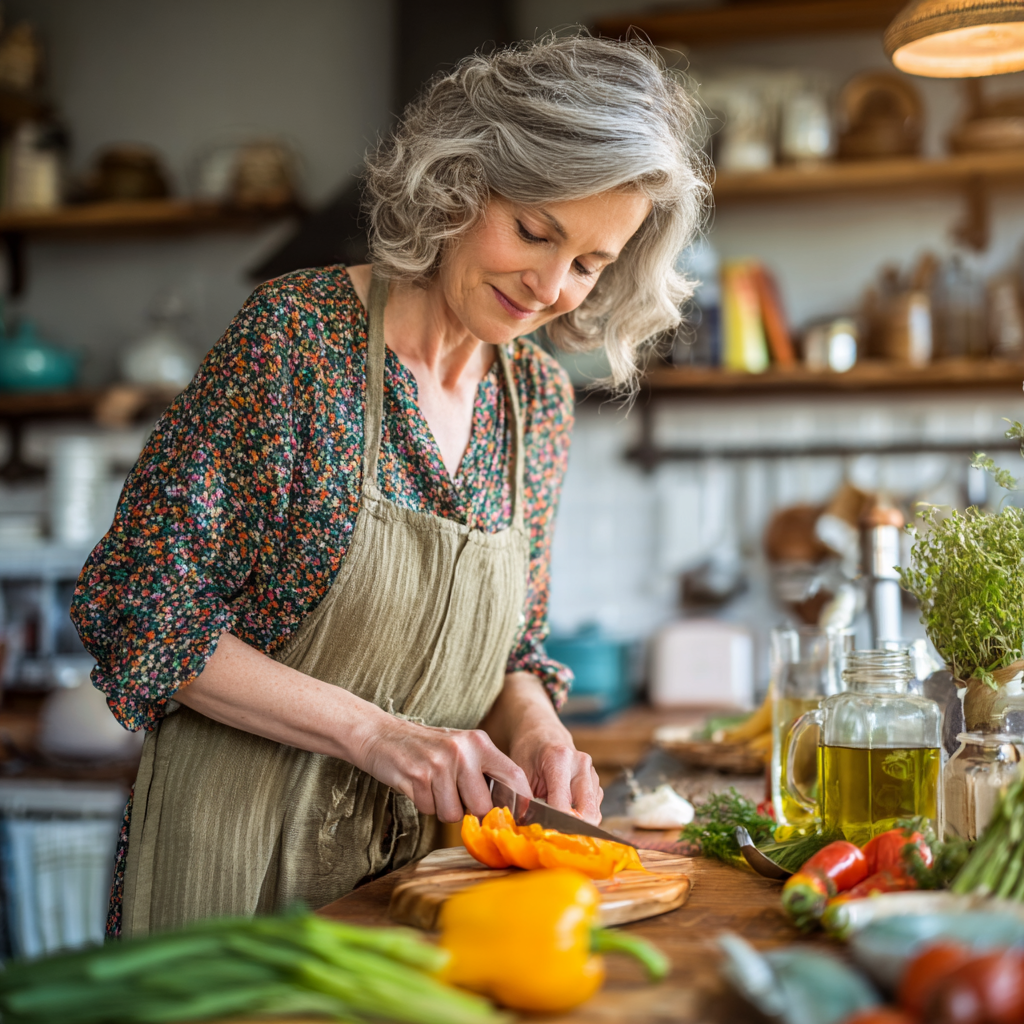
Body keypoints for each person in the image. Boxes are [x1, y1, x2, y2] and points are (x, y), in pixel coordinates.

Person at [71, 31, 708, 938]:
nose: (550, 285)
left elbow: (512, 649)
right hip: (233, 862)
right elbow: (140, 601)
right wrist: (376, 735)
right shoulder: (295, 342)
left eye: (589, 265)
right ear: (458, 183)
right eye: (534, 231)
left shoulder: (538, 401)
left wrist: (537, 729)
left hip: (424, 878)